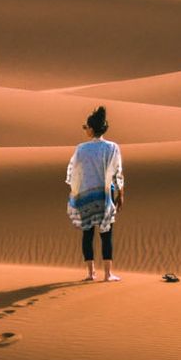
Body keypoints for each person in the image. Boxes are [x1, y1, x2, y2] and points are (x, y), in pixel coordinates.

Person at [65, 105, 124, 282]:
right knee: (106, 235)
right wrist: (121, 193)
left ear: (92, 129)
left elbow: (74, 172)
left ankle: (90, 274)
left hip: (86, 195)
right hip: (105, 195)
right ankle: (107, 274)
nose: (85, 130)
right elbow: (117, 172)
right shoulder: (112, 147)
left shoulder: (81, 149)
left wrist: (75, 192)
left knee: (87, 234)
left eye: (86, 127)